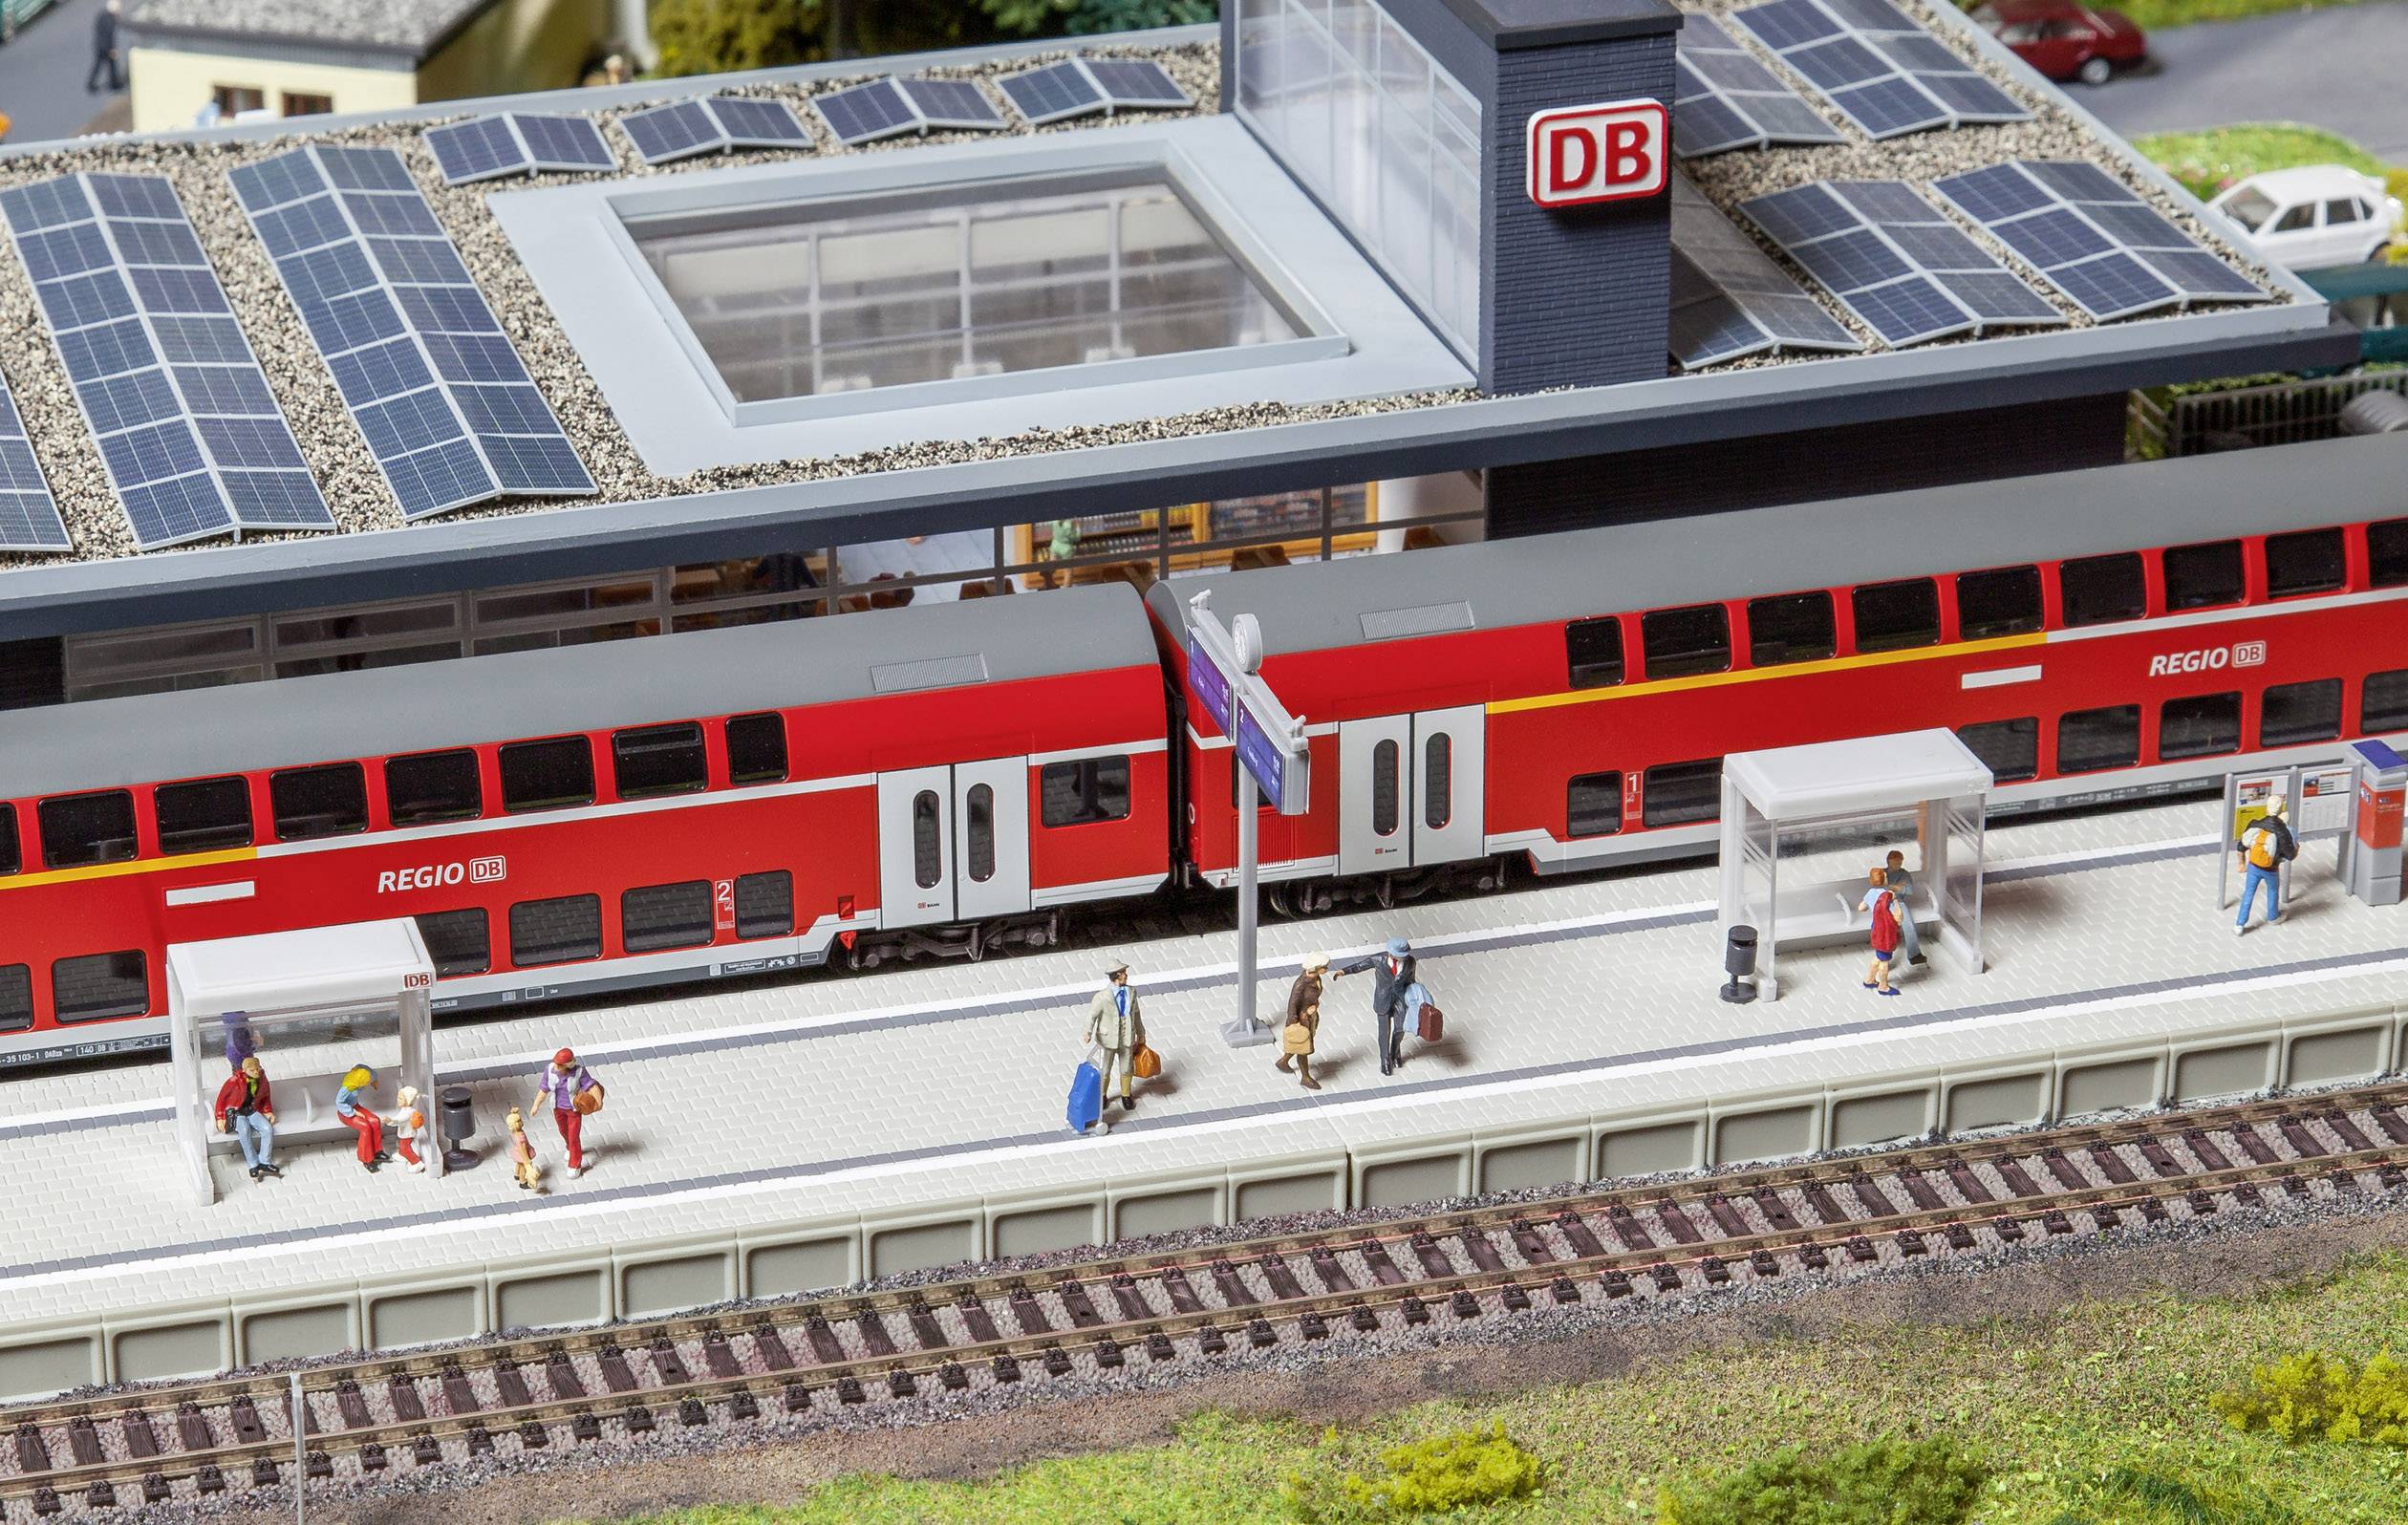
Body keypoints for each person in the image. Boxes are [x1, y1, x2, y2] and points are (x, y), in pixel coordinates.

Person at [1338, 937, 1416, 1075]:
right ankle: (1385, 1060)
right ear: (1390, 953)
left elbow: (1411, 980)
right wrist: (1343, 971)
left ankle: (1395, 1053)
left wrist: (1415, 998)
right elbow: (1360, 966)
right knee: (1383, 1033)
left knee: (1400, 1028)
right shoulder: (1378, 960)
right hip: (1383, 999)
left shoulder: (1410, 962)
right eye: (1397, 954)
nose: (1400, 957)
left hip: (1400, 999)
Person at [1083, 960, 1146, 1114]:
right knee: (1105, 1069)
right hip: (1108, 1038)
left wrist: (1141, 1032)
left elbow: (1136, 1013)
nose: (1126, 975)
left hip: (1126, 1036)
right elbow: (1092, 1015)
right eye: (1123, 973)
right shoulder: (1102, 997)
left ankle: (1126, 1095)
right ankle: (1102, 1096)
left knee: (1127, 1068)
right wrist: (1087, 1031)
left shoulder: (1131, 992)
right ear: (1117, 976)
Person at [531, 1048, 600, 1177]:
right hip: (557, 1108)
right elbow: (543, 1089)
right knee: (563, 1131)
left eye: (560, 1065)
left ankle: (575, 1165)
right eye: (556, 1063)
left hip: (573, 1110)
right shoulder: (549, 1070)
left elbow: (591, 1086)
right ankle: (569, 1147)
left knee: (574, 1136)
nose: (556, 1066)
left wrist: (598, 1102)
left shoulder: (579, 1072)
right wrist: (536, 1105)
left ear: (568, 1064)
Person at [212, 1054, 281, 1182]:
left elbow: (266, 1096)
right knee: (244, 1132)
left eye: (257, 1069)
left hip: (252, 1110)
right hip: (237, 1112)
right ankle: (253, 1164)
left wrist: (267, 1111)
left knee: (267, 1129)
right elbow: (222, 1099)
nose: (256, 1072)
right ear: (245, 1071)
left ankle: (265, 1162)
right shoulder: (234, 1081)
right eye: (252, 1070)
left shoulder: (262, 1079)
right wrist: (220, 1117)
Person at [2235, 794, 2296, 934]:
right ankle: (2273, 917)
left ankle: (2240, 924)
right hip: (2271, 869)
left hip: (2253, 866)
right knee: (2273, 891)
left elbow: (2241, 846)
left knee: (2248, 893)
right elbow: (2290, 855)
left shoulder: (2254, 824)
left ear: (2266, 808)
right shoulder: (2282, 831)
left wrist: (2241, 863)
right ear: (2281, 810)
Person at [1278, 953, 1335, 1091]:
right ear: (1317, 967)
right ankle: (1305, 1077)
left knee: (1299, 1045)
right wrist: (1295, 1022)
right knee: (1303, 1049)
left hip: (1310, 1018)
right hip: (1301, 1021)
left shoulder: (1316, 978)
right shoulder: (1301, 984)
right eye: (1325, 967)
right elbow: (1292, 1005)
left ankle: (1283, 1061)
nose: (1327, 968)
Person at [334, 1064, 392, 1172]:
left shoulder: (365, 1075)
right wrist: (353, 1112)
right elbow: (339, 1103)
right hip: (346, 1112)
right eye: (366, 1083)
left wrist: (375, 1080)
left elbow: (368, 1070)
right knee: (366, 1127)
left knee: (375, 1121)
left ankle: (377, 1151)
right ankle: (366, 1159)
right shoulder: (346, 1088)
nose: (367, 1084)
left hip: (356, 1107)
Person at [1860, 869, 1901, 996]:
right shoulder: (1888, 895)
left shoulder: (1870, 892)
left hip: (1876, 927)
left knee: (1879, 955)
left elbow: (1861, 908)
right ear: (1885, 879)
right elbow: (1899, 918)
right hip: (1886, 930)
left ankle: (1869, 980)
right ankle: (1883, 986)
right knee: (1884, 960)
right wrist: (1895, 902)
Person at [1882, 849, 1925, 967]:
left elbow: (1909, 890)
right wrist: (1898, 886)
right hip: (1882, 903)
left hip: (1897, 901)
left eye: (1900, 863)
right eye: (1895, 863)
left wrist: (1892, 887)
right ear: (1888, 862)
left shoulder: (1905, 874)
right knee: (1885, 929)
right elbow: (1878, 887)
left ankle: (1914, 955)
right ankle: (1884, 959)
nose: (1898, 865)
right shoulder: (1882, 873)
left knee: (1909, 925)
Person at [86, 0, 123, 95]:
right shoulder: (111, 20)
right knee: (112, 65)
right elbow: (109, 36)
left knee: (98, 65)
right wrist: (112, 49)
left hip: (98, 45)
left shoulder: (101, 15)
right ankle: (114, 84)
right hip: (106, 47)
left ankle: (91, 84)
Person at [391, 1085, 429, 1174]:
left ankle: (416, 1162)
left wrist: (390, 1121)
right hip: (404, 1133)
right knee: (401, 1144)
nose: (398, 1100)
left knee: (405, 1148)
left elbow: (399, 1120)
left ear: (408, 1101)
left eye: (400, 1098)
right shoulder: (405, 1109)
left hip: (408, 1134)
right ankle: (402, 1155)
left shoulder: (408, 1112)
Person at [506, 1107, 542, 1192]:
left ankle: (517, 1175)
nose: (522, 1122)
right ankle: (523, 1181)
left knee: (518, 1164)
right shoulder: (520, 1136)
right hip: (522, 1154)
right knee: (523, 1167)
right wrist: (526, 1160)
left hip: (517, 1151)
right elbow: (523, 1149)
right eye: (519, 1121)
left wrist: (513, 1113)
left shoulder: (515, 1132)